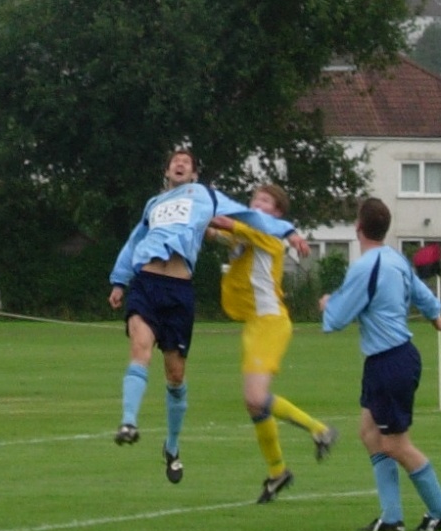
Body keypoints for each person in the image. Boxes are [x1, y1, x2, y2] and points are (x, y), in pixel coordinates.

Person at [108, 149, 309, 485]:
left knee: (175, 375)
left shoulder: (205, 196)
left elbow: (250, 216)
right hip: (146, 283)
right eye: (175, 159)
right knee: (139, 349)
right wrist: (119, 279)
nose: (180, 162)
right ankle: (128, 422)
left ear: (194, 174)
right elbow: (134, 241)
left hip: (179, 291)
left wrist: (288, 231)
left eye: (187, 160)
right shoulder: (153, 204)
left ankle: (171, 447)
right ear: (167, 170)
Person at [319, 197, 441, 531]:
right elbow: (426, 298)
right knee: (368, 433)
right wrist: (436, 319)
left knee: (395, 444)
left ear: (358, 227)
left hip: (389, 361)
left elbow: (336, 320)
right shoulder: (396, 259)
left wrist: (327, 303)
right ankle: (391, 517)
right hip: (393, 358)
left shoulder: (365, 267)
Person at [208, 184, 338, 504]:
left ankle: (320, 430)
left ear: (278, 215)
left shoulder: (268, 236)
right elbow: (217, 233)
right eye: (255, 199)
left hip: (271, 323)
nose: (257, 204)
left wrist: (199, 206)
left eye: (265, 201)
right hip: (256, 324)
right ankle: (278, 472)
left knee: (256, 396)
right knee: (254, 404)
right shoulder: (248, 234)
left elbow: (223, 223)